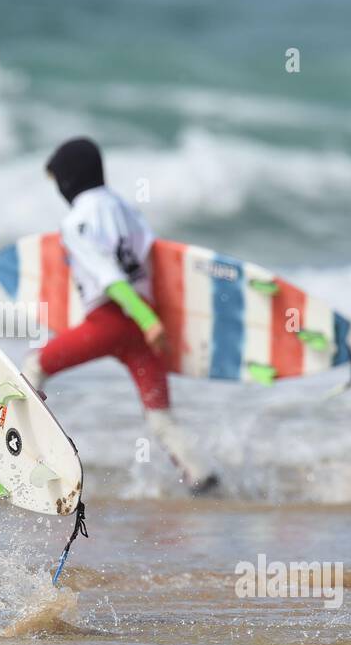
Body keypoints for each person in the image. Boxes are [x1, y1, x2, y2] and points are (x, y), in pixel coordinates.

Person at [21, 137, 217, 493]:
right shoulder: (127, 209)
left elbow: (109, 276)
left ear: (67, 181)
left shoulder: (76, 221)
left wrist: (146, 318)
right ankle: (203, 479)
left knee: (34, 368)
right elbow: (153, 257)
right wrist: (151, 317)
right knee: (159, 415)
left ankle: (28, 457)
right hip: (141, 330)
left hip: (111, 322)